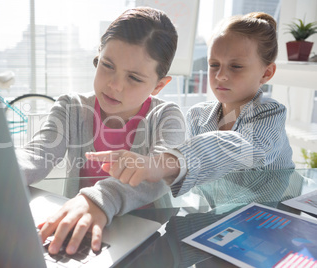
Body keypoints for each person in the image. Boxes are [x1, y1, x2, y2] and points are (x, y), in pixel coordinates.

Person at [75, 11, 295, 252]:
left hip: (270, 224)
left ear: (267, 73)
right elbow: (180, 171)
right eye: (214, 65)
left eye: (236, 66)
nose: (220, 75)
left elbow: (242, 147)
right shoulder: (197, 115)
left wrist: (162, 162)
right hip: (218, 223)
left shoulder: (270, 113)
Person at [17, 7, 185, 254]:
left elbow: (157, 175)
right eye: (107, 65)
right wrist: (2, 171)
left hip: (150, 237)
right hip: (83, 226)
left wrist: (99, 199)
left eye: (134, 78)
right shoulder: (71, 106)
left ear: (159, 85)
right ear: (98, 57)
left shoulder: (167, 117)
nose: (114, 85)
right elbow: (38, 153)